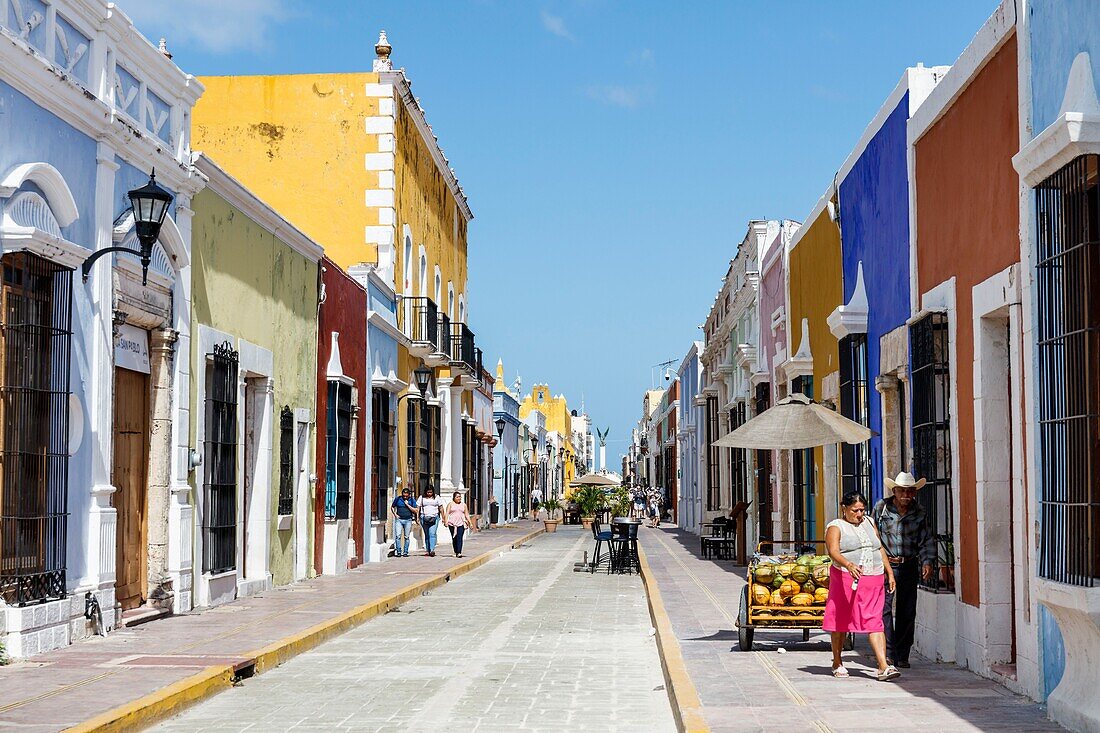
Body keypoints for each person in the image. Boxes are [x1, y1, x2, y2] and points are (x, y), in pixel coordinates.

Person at [823, 491, 900, 682]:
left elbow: (879, 547)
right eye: (855, 510)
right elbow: (833, 551)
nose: (859, 514)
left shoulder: (869, 522)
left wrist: (889, 572)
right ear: (844, 509)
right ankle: (837, 661)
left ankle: (883, 666)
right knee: (841, 620)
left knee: (875, 620)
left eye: (862, 510)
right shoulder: (836, 526)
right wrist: (848, 564)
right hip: (845, 578)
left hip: (872, 578)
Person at [872, 472, 935, 669]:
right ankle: (888, 653)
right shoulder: (881, 508)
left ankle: (902, 654)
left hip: (908, 564)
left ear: (914, 492)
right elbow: (873, 536)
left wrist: (927, 561)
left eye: (910, 492)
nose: (906, 495)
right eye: (902, 491)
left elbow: (927, 539)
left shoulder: (920, 512)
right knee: (885, 609)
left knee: (907, 610)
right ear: (894, 491)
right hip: (886, 565)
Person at [390, 487, 418, 558]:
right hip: (399, 520)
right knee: (398, 536)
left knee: (406, 537)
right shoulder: (398, 499)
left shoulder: (412, 500)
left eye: (406, 495)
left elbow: (416, 510)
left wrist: (407, 505)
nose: (405, 496)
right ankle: (399, 551)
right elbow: (392, 507)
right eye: (404, 495)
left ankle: (405, 552)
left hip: (408, 520)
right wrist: (395, 514)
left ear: (409, 495)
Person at [418, 484, 443, 557]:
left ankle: (432, 550)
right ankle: (428, 550)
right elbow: (418, 508)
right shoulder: (421, 498)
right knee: (427, 534)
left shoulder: (437, 497)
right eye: (428, 492)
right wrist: (417, 517)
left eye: (431, 492)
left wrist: (444, 517)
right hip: (424, 517)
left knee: (432, 533)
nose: (429, 494)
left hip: (434, 517)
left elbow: (441, 508)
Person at [445, 491, 472, 558]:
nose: (459, 498)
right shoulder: (450, 504)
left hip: (461, 523)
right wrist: (446, 521)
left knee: (459, 537)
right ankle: (456, 551)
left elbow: (467, 514)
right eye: (457, 497)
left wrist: (470, 523)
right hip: (452, 524)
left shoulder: (464, 505)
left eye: (460, 497)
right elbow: (447, 513)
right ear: (454, 498)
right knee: (454, 538)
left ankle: (459, 552)